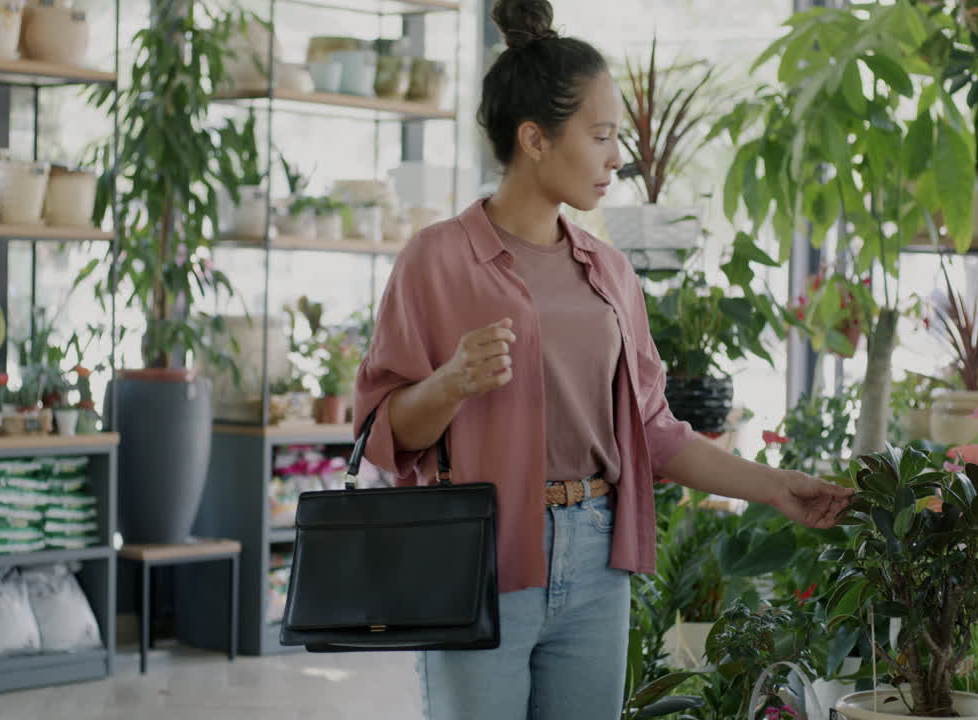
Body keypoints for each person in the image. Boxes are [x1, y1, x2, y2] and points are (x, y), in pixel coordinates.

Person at [352, 1, 854, 717]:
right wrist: (450, 382)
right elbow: (380, 427)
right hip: (478, 556)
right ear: (534, 138)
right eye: (601, 135)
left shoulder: (610, 272)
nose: (619, 156)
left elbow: (655, 431)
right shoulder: (435, 260)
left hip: (596, 557)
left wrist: (778, 487)